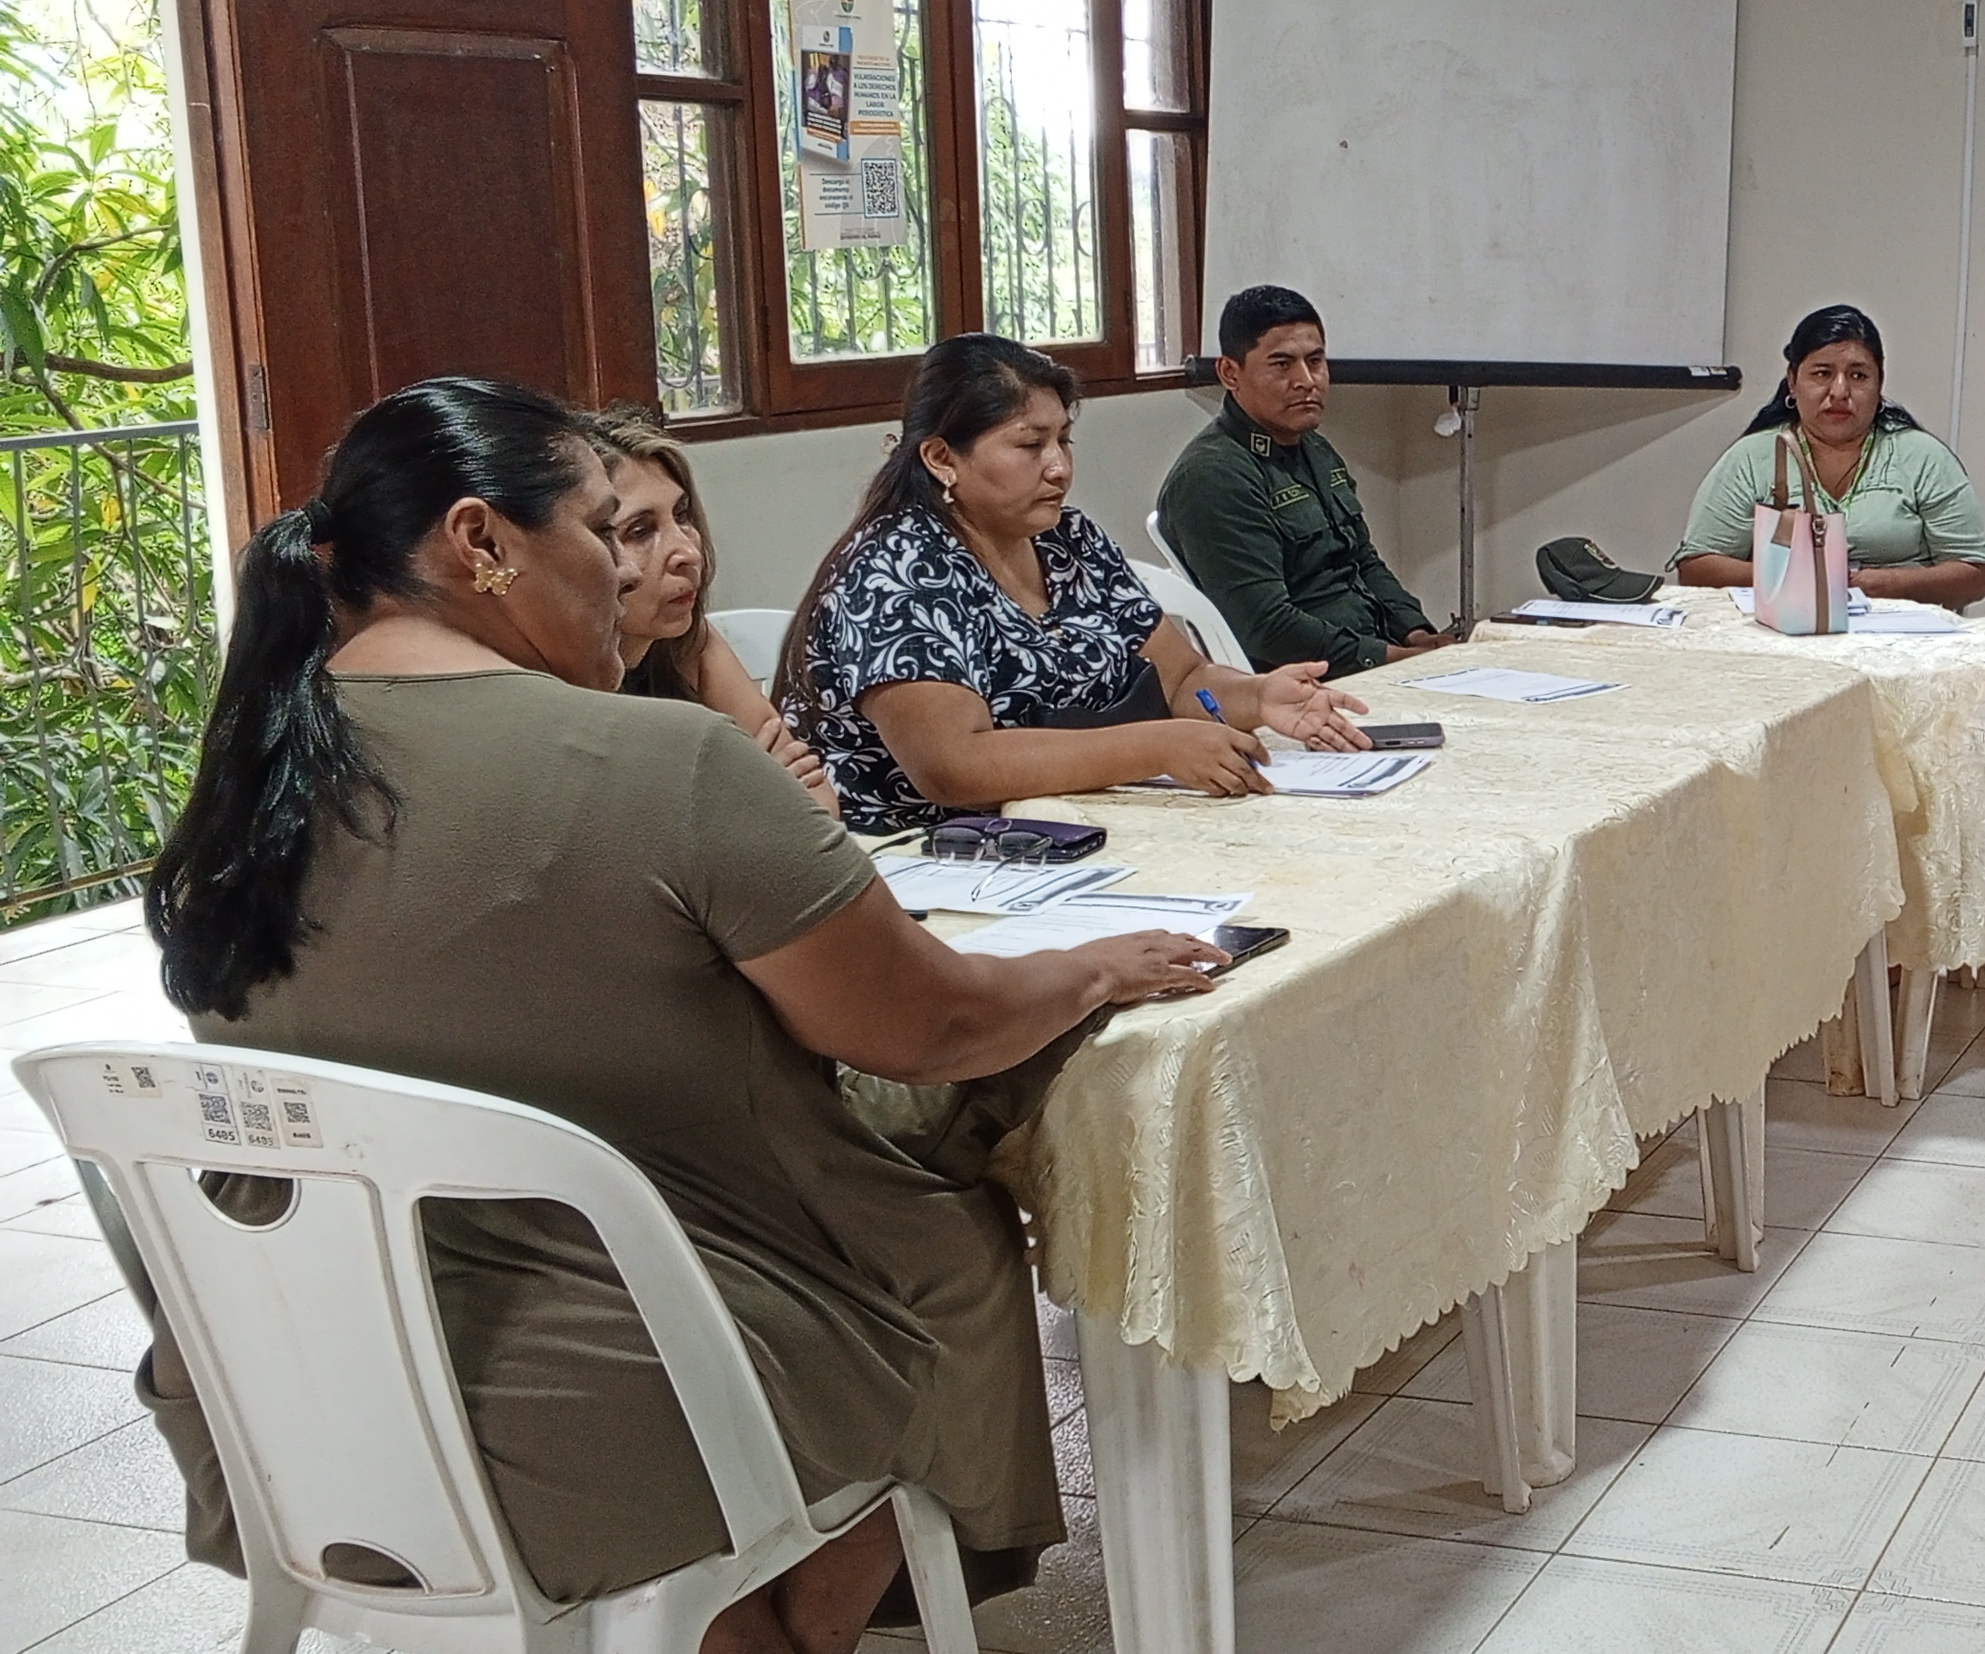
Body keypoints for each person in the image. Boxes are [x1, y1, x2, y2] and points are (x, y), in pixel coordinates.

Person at [136, 378, 1240, 1654]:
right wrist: (1092, 970)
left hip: (282, 1370)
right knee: (943, 1229)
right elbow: (932, 1027)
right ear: (481, 542)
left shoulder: (251, 774)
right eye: (604, 531)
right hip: (617, 1378)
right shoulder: (666, 764)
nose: (631, 571)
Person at [780, 332, 1373, 834]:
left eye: (1063, 440)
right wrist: (1156, 747)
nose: (1059, 467)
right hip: (930, 857)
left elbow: (1183, 679)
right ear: (941, 458)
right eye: (1029, 445)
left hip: (1080, 828)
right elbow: (954, 766)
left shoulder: (1069, 539)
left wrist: (1257, 697)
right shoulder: (895, 571)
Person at [1154, 285, 1457, 673]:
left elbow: (1363, 560)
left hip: (1374, 654)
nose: (1307, 380)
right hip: (1306, 683)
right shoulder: (1213, 477)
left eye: (1315, 361)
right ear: (1230, 373)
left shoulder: (1314, 448)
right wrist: (1390, 658)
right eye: (1282, 365)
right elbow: (1266, 627)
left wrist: (1417, 634)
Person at [591, 403, 838, 816]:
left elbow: (817, 804)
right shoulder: (552, 682)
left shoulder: (689, 642)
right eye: (641, 530)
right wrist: (743, 801)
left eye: (682, 515)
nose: (688, 552)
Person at [1672, 303, 1985, 606]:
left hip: (1901, 631)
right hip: (1786, 628)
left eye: (1858, 376)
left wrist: (1887, 584)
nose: (1839, 392)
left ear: (1879, 384)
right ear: (1792, 381)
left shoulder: (1923, 458)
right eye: (1822, 373)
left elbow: (1974, 575)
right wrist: (1804, 579)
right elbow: (1697, 568)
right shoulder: (1752, 458)